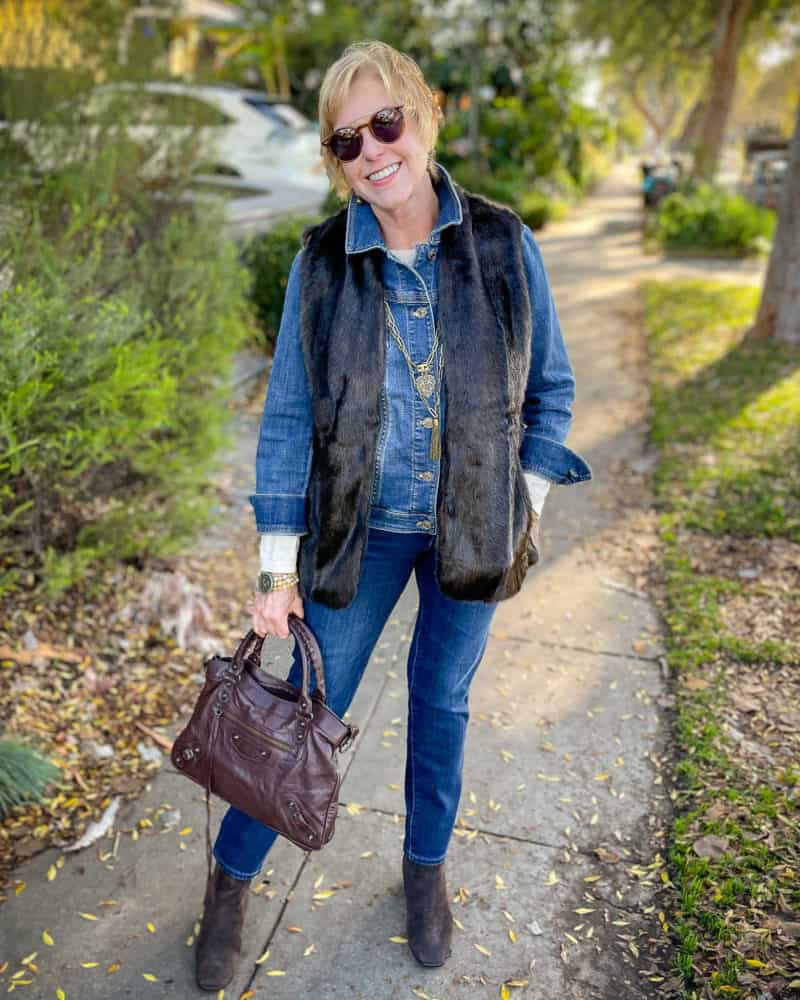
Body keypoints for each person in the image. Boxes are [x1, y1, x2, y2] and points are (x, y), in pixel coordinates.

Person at [193, 39, 591, 992]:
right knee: (302, 710)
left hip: (473, 531)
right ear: (333, 161)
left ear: (423, 114)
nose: (372, 150)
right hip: (359, 532)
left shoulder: (500, 241)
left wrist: (519, 514)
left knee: (442, 705)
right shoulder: (322, 264)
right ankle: (230, 880)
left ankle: (425, 872)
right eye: (345, 140)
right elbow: (287, 417)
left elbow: (554, 391)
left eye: (386, 122)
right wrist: (275, 571)